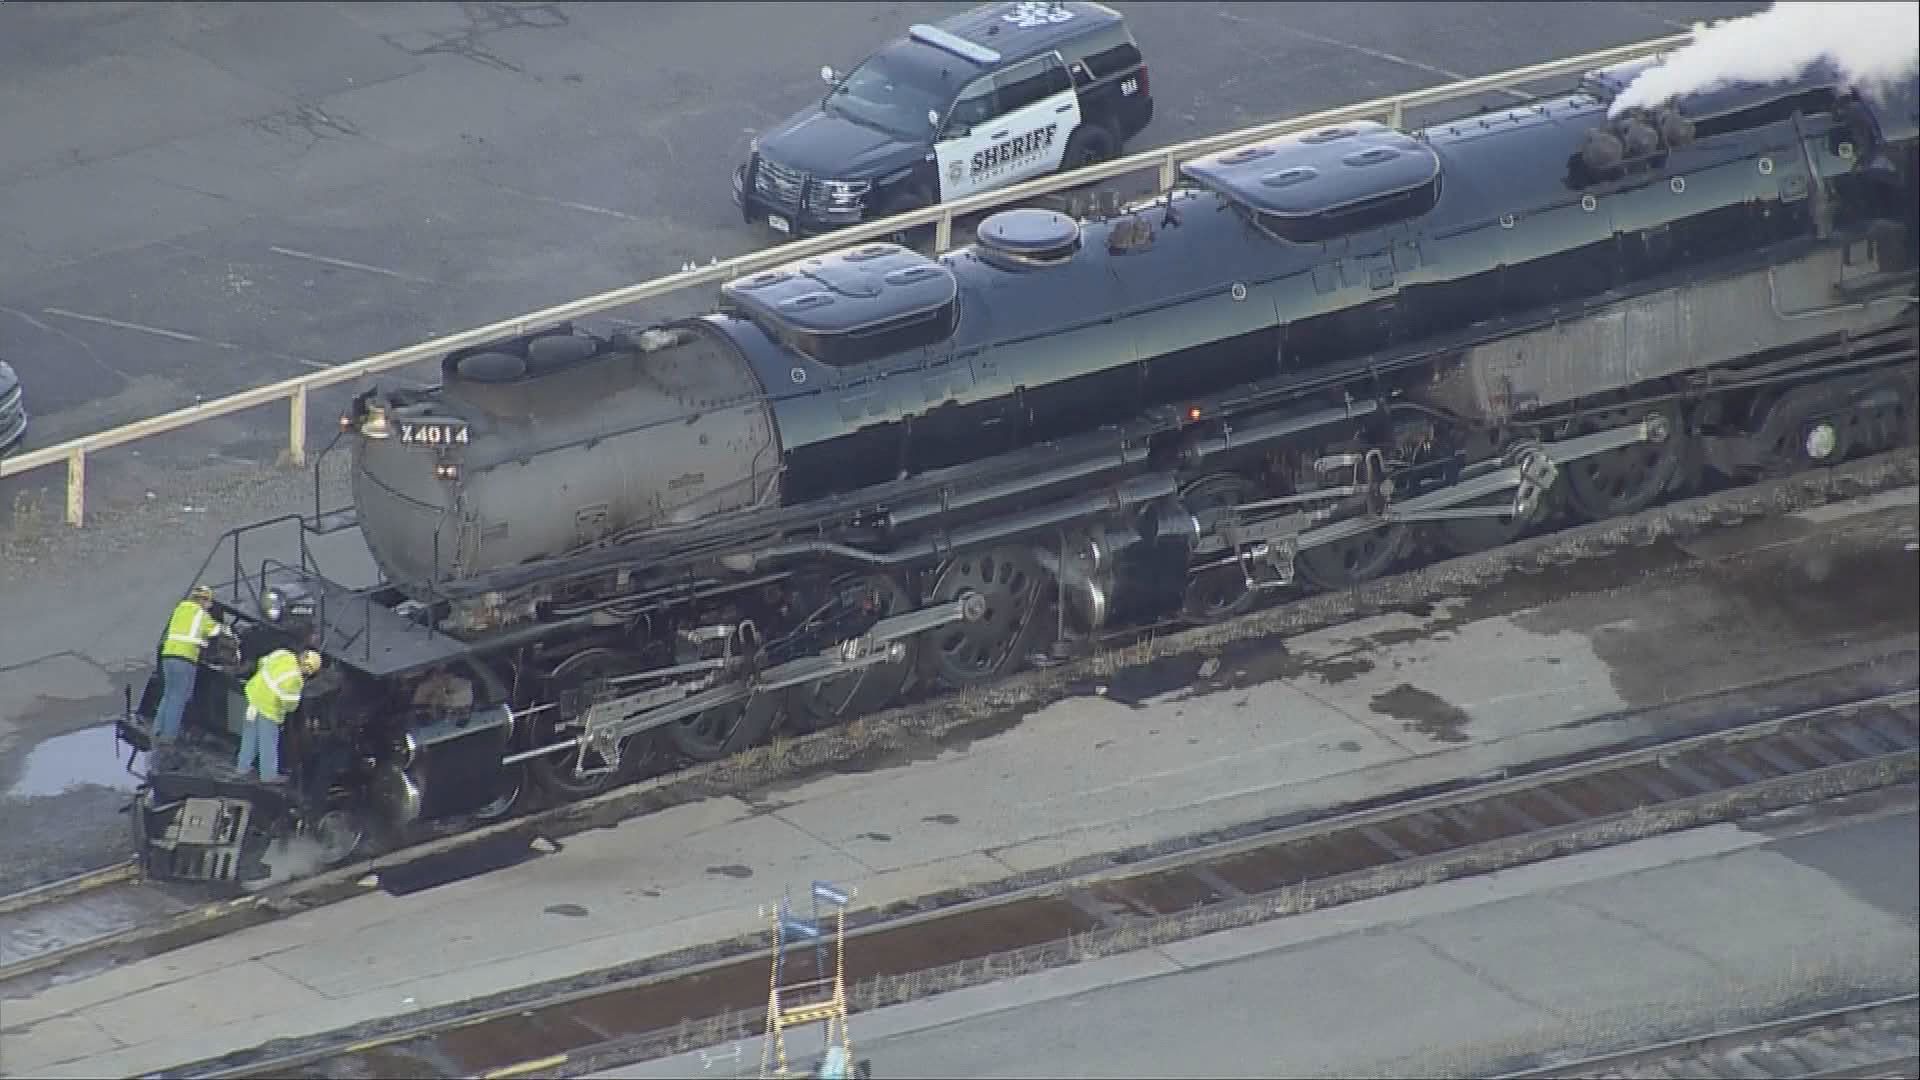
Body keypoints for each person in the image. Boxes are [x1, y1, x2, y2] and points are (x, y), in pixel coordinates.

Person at [153, 585, 231, 743]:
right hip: (184, 659)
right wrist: (227, 629)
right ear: (203, 600)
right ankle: (169, 736)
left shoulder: (180, 609)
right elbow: (214, 631)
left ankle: (157, 729)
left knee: (168, 695)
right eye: (209, 602)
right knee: (179, 698)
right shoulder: (200, 615)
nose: (210, 605)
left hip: (168, 656)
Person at [237, 648, 321, 783]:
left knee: (250, 737)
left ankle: (243, 768)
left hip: (254, 698)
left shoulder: (283, 654)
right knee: (268, 743)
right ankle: (268, 776)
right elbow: (290, 706)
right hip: (269, 710)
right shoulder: (295, 679)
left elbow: (262, 662)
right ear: (308, 668)